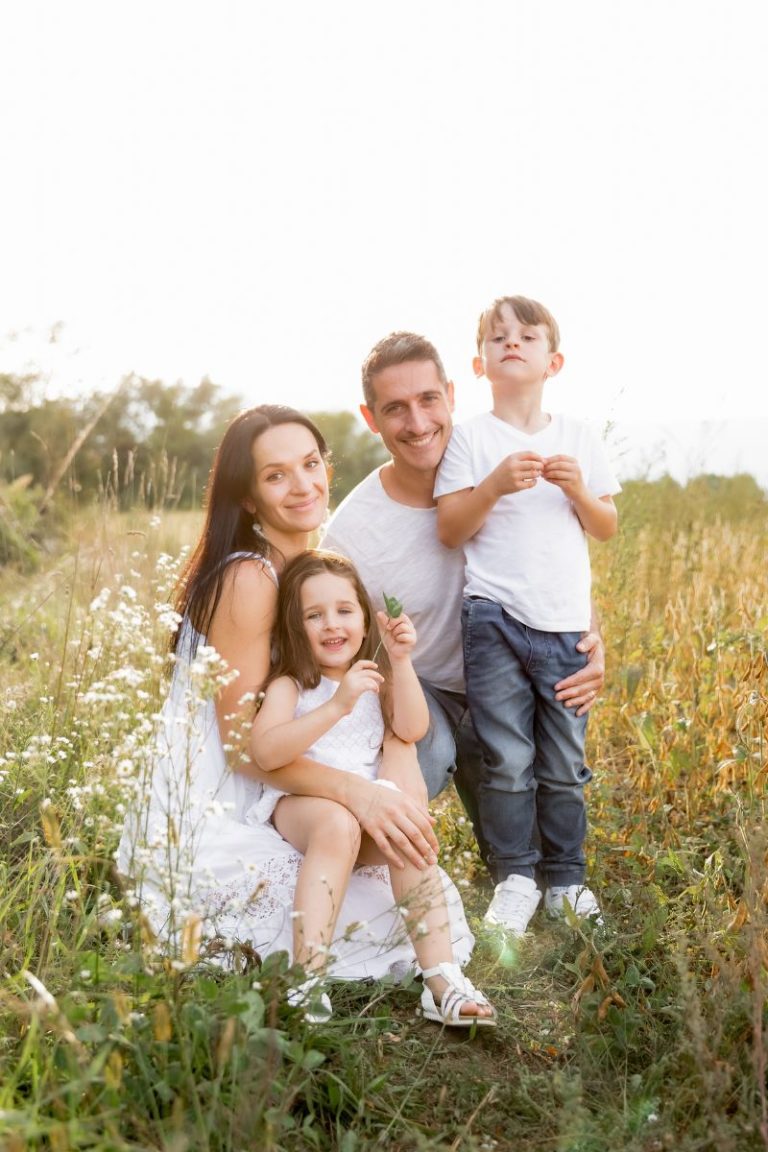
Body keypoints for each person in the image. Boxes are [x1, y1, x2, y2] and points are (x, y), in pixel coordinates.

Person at [117, 404, 464, 985]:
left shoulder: (312, 566)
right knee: (352, 884)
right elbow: (239, 750)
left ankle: (443, 978)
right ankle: (307, 980)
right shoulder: (250, 578)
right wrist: (362, 793)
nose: (303, 485)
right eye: (277, 475)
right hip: (232, 789)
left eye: (310, 464)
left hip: (299, 760)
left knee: (402, 855)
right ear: (248, 498)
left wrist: (397, 758)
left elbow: (372, 684)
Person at [321, 332, 605, 873]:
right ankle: (353, 869)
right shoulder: (352, 533)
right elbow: (327, 646)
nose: (418, 422)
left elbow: (557, 559)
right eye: (395, 409)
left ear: (452, 394)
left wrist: (593, 639)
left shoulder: (503, 466)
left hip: (516, 676)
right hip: (425, 692)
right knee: (421, 767)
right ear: (370, 417)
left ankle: (522, 862)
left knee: (544, 863)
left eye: (429, 399)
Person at [434, 294, 620, 935]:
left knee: (564, 761)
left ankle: (566, 879)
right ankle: (516, 878)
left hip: (565, 623)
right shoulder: (470, 438)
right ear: (480, 363)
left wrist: (575, 489)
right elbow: (451, 530)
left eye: (527, 336)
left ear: (554, 360)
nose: (512, 343)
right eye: (498, 337)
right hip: (492, 618)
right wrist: (491, 486)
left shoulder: (578, 437)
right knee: (507, 756)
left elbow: (606, 527)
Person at [248, 550, 496, 1026]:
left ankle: (440, 978)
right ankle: (307, 976)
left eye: (344, 610)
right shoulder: (293, 684)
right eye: (313, 615)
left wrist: (401, 661)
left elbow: (412, 726)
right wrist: (336, 706)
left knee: (405, 828)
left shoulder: (375, 678)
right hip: (304, 808)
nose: (331, 624)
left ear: (365, 620)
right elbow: (267, 750)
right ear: (294, 628)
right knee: (338, 824)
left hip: (367, 811)